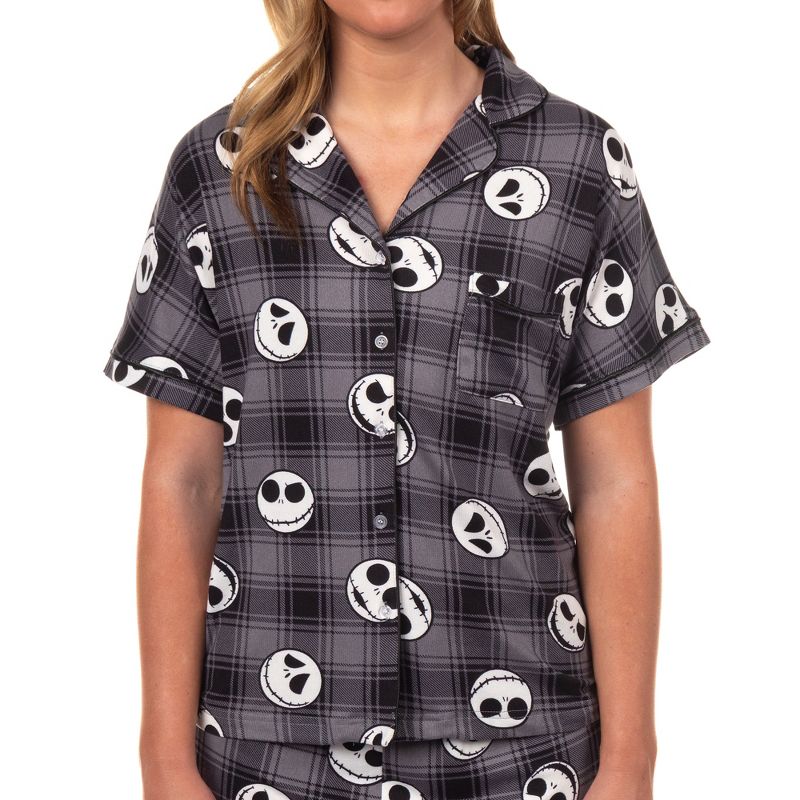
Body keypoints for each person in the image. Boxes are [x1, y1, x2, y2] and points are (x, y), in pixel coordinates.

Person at [101, 2, 711, 799]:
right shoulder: (219, 170)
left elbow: (616, 481)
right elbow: (182, 481)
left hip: (521, 750)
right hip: (265, 750)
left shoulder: (577, 162)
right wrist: (163, 761)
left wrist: (631, 759)